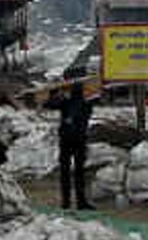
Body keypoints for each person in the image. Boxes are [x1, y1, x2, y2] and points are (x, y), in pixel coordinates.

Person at [46, 81, 95, 210]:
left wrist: (54, 92)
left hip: (68, 140)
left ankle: (67, 202)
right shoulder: (84, 103)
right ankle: (79, 202)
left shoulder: (67, 102)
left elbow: (49, 104)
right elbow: (50, 105)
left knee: (67, 172)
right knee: (78, 172)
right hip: (77, 140)